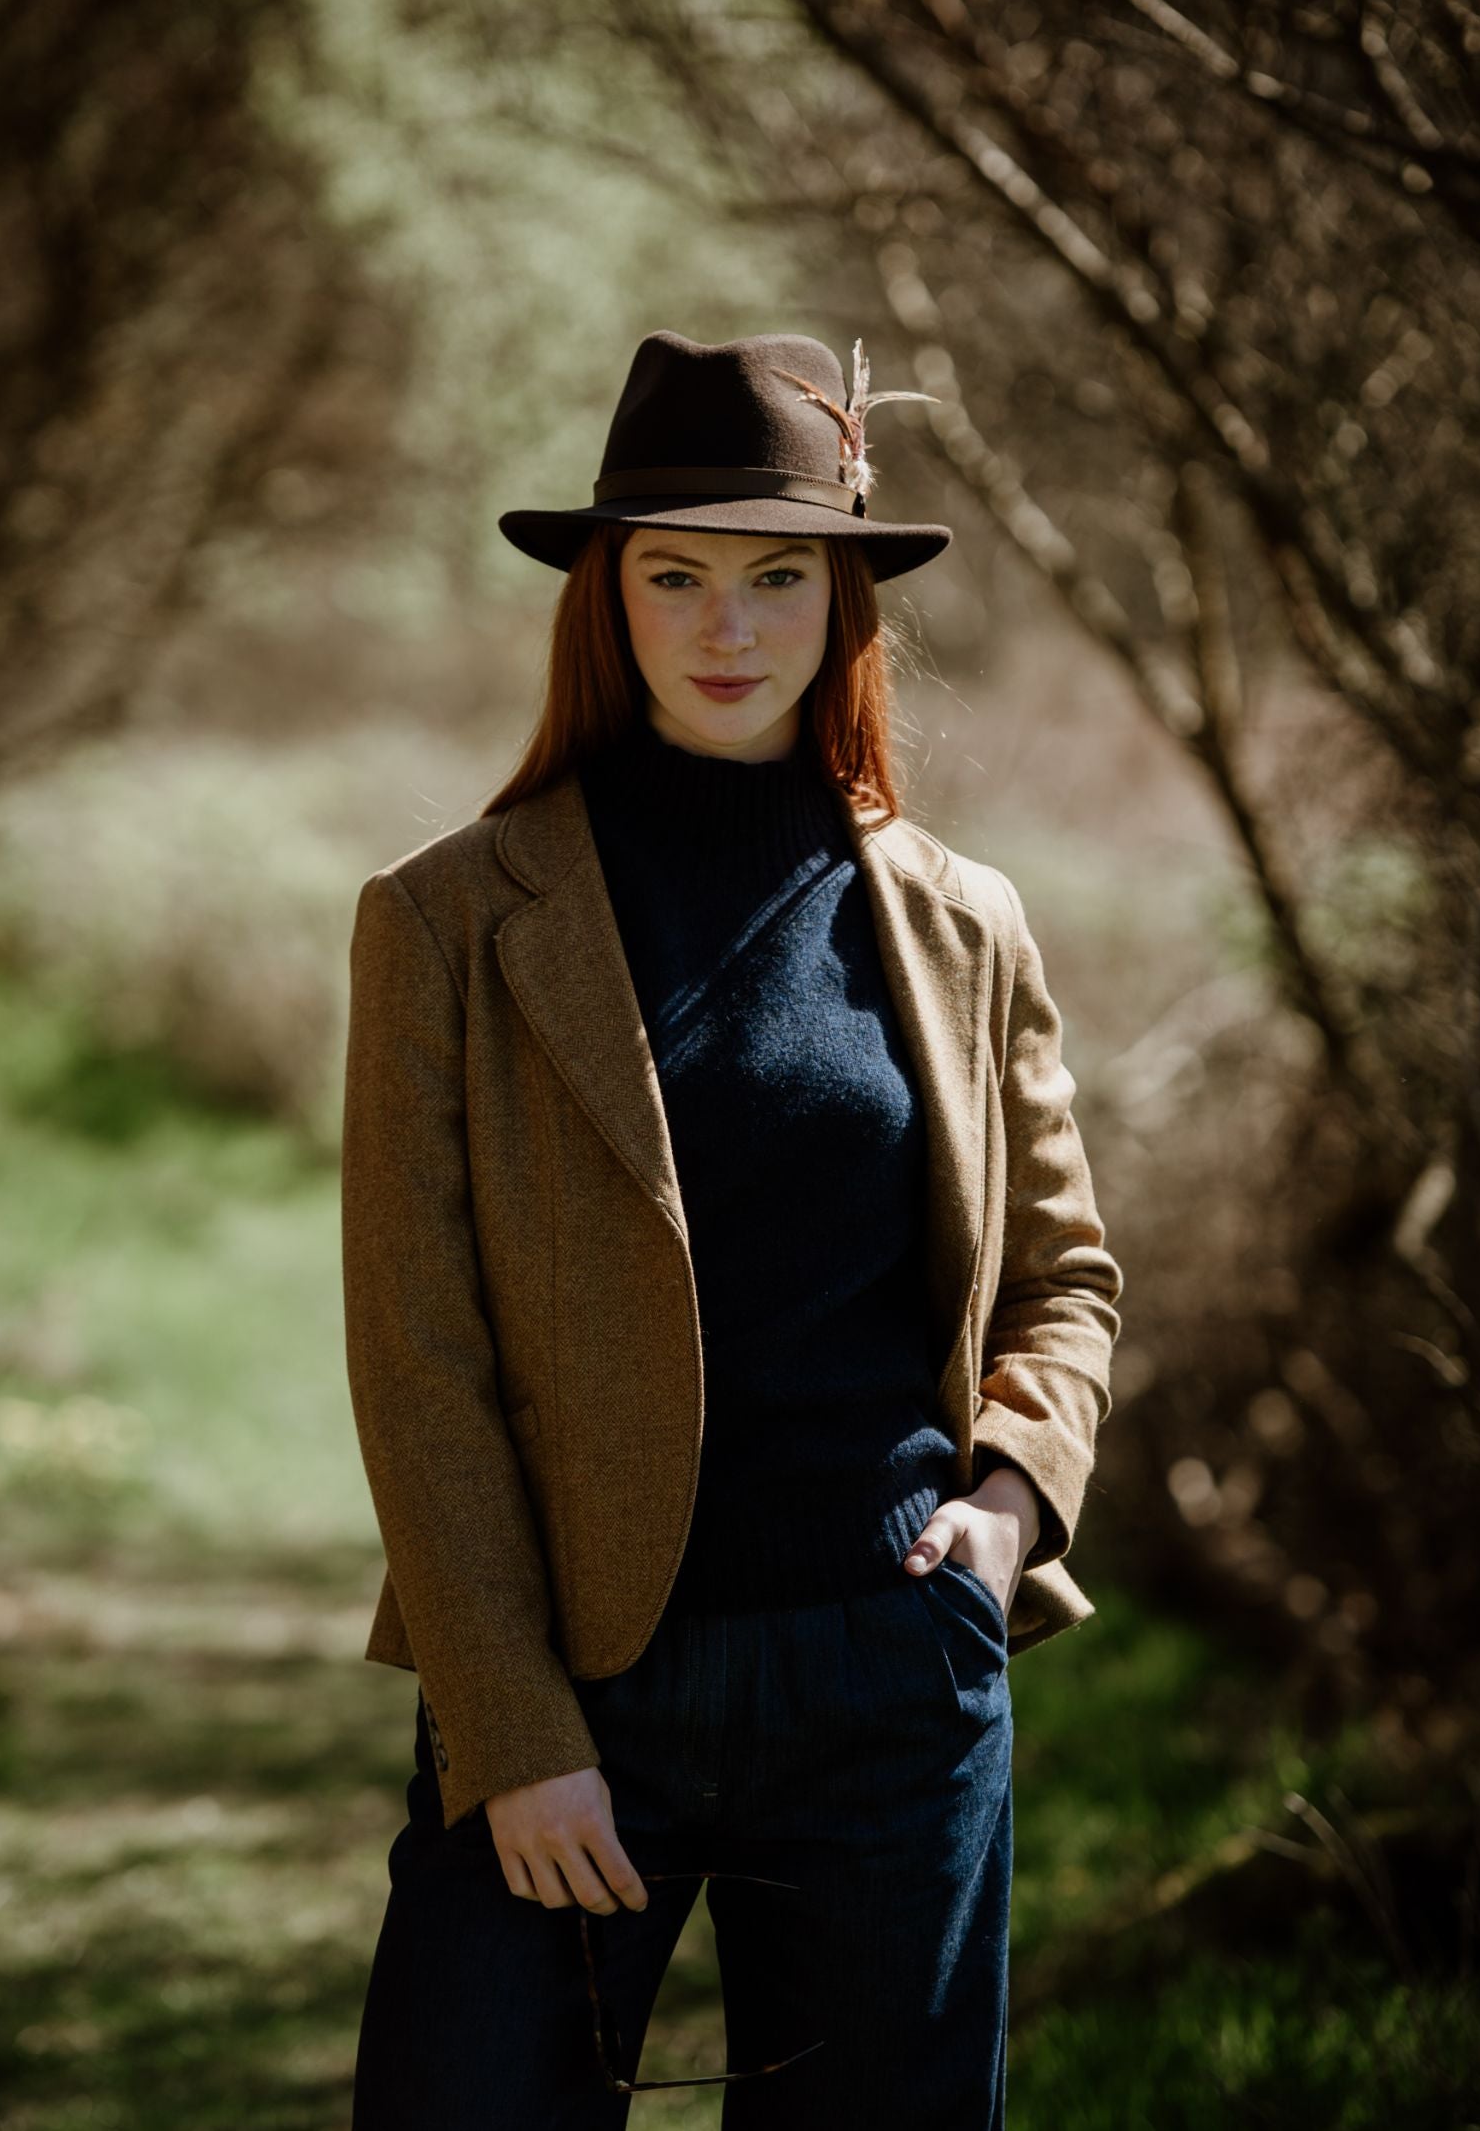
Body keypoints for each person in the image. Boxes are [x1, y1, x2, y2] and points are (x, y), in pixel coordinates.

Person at [340, 328, 1124, 2128]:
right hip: (567, 1667)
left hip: (891, 1670)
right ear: (604, 596)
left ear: (845, 597)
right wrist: (517, 1735)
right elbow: (418, 1358)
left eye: (779, 576)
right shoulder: (448, 918)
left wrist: (1006, 1509)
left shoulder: (960, 919)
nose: (727, 625)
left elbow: (1068, 1278)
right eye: (674, 573)